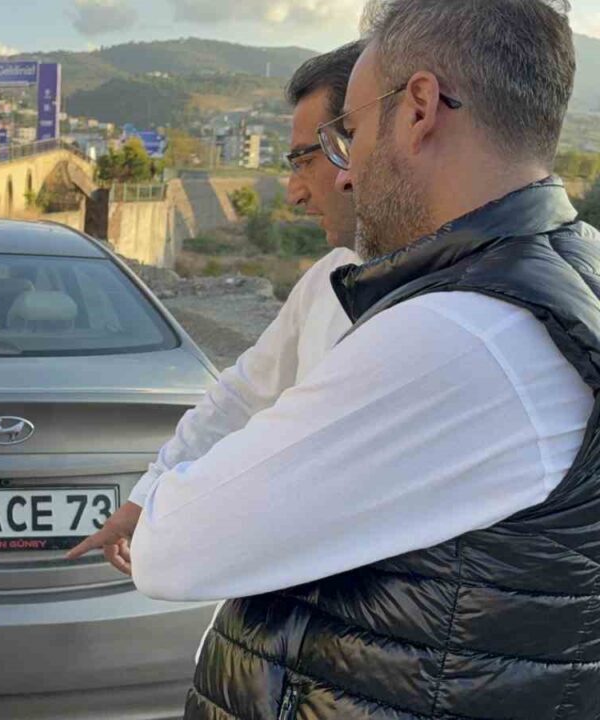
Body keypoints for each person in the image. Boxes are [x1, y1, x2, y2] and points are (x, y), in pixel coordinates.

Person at [128, 1, 600, 718]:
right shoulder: (572, 269)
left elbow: (170, 548)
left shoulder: (459, 336)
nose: (345, 173)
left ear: (417, 110)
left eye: (347, 133)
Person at [67, 40, 364, 571]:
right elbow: (243, 393)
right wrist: (145, 498)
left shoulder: (461, 311)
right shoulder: (329, 276)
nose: (295, 194)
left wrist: (173, 532)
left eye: (304, 160)